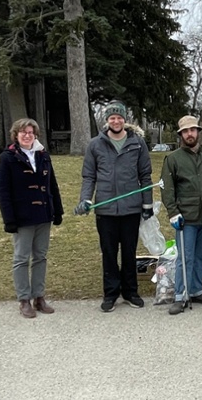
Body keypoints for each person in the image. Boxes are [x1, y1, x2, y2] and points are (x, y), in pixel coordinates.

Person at [75, 100, 154, 313]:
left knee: (129, 252)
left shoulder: (137, 143)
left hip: (130, 209)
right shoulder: (95, 145)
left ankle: (130, 292)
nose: (116, 121)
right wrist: (86, 199)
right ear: (107, 120)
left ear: (124, 120)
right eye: (112, 117)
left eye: (119, 117)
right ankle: (110, 294)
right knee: (109, 252)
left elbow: (145, 175)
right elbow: (89, 176)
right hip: (106, 210)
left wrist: (147, 203)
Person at [0, 118, 64, 318]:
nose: (27, 135)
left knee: (40, 257)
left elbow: (52, 185)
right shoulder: (8, 158)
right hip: (22, 217)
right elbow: (3, 191)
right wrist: (9, 219)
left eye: (31, 133)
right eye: (23, 132)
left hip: (43, 215)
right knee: (21, 258)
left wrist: (57, 210)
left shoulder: (43, 155)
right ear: (16, 135)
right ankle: (24, 299)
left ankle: (39, 297)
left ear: (35, 135)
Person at [161, 115, 202, 315]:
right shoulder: (172, 159)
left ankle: (197, 290)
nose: (190, 134)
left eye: (193, 130)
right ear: (181, 135)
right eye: (185, 131)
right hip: (186, 218)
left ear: (198, 132)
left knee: (200, 257)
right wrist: (173, 213)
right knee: (185, 258)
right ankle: (180, 295)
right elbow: (167, 189)